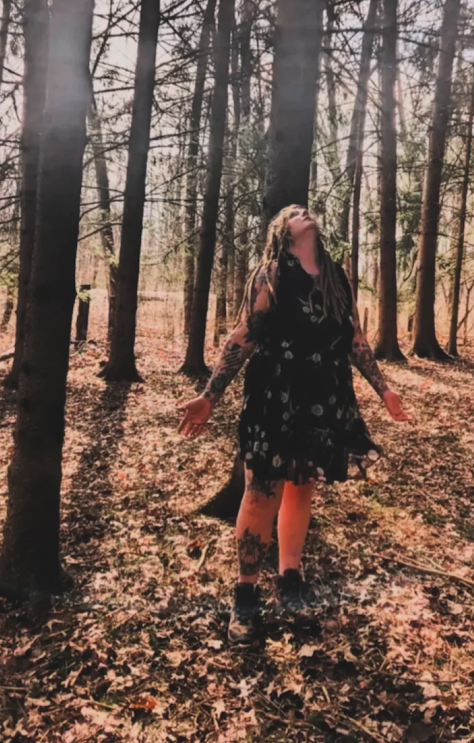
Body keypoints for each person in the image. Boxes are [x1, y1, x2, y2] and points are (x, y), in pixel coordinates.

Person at [179, 205, 408, 643]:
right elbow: (244, 335)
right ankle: (246, 595)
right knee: (260, 494)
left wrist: (385, 391)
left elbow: (355, 339)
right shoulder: (272, 275)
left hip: (323, 401)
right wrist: (209, 395)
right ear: (282, 232)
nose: (303, 211)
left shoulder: (335, 276)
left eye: (305, 209)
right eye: (293, 212)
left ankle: (290, 580)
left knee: (302, 489)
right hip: (273, 399)